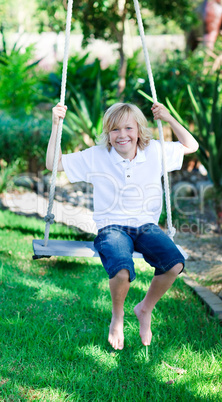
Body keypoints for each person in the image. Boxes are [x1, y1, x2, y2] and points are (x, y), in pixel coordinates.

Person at [46, 101, 199, 350]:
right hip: (112, 226)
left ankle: (144, 309)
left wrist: (169, 118)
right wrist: (56, 125)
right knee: (121, 271)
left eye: (128, 128)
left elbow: (191, 146)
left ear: (139, 130)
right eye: (115, 129)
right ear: (108, 133)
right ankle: (117, 317)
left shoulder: (155, 151)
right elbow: (53, 164)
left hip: (146, 226)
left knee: (175, 263)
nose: (122, 135)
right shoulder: (96, 156)